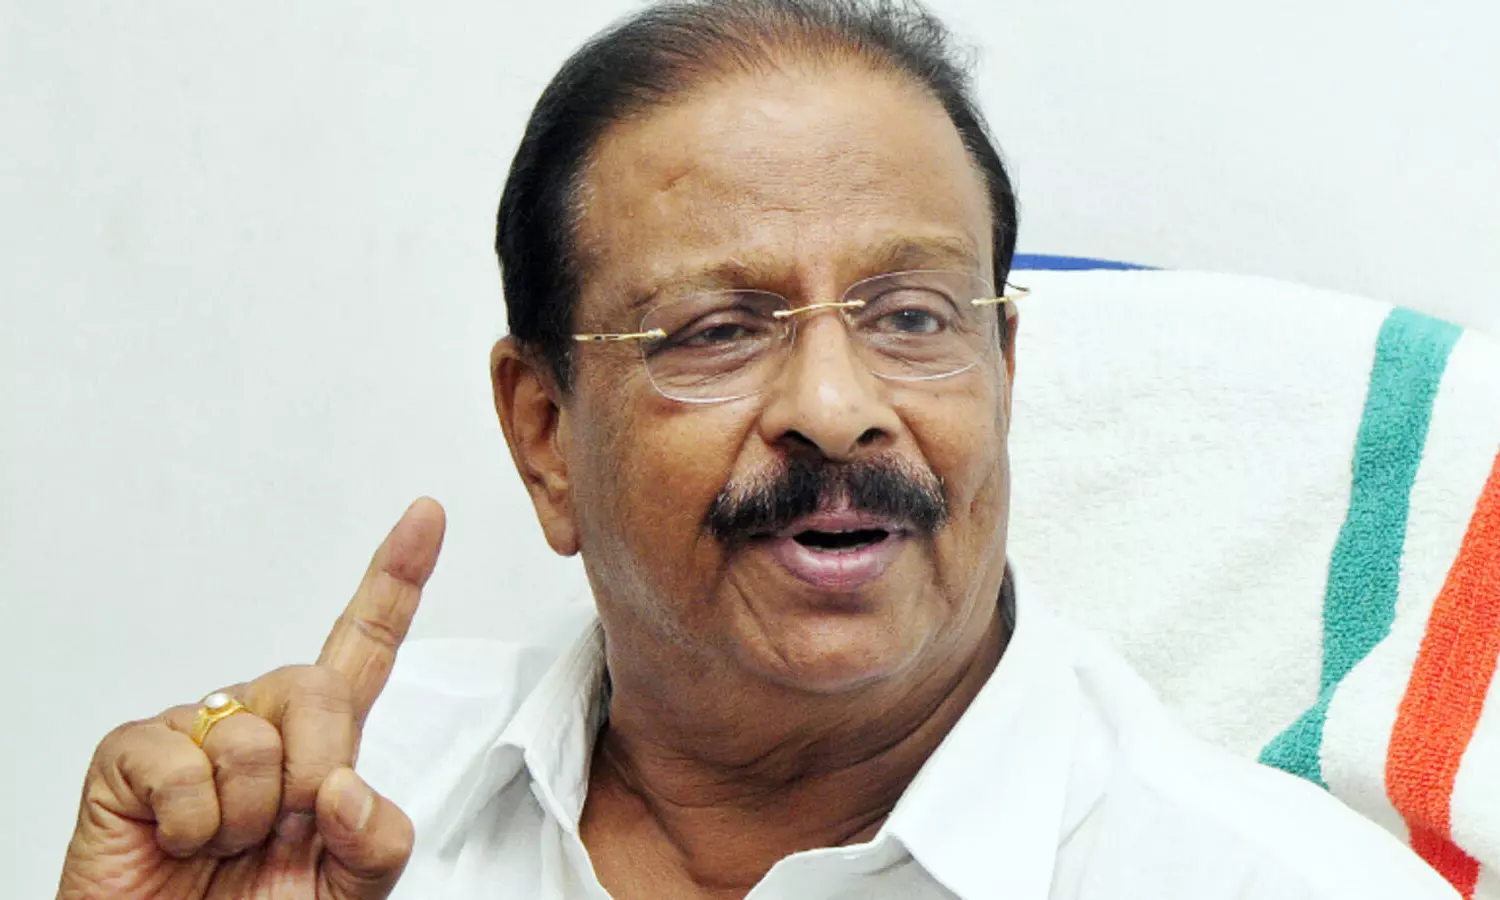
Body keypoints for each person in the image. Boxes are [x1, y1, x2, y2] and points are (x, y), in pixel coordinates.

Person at [55, 1, 1461, 898]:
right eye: (718, 330)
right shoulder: (334, 811)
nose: (837, 408)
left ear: (1004, 375)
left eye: (912, 318)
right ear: (544, 436)